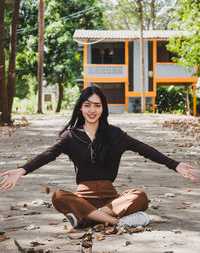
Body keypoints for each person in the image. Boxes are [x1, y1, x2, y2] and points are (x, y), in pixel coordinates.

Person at [0, 86, 198, 228]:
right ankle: (117, 222)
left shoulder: (115, 134)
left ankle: (87, 218)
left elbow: (144, 149)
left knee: (140, 196)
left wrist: (175, 164)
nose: (92, 110)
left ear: (103, 108)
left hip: (112, 201)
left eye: (97, 105)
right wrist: (22, 170)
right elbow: (48, 154)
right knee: (58, 196)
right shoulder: (70, 136)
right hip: (82, 197)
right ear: (80, 108)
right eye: (87, 105)